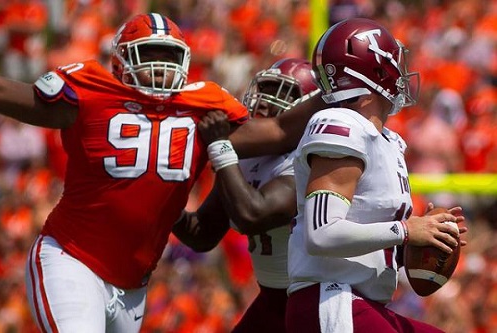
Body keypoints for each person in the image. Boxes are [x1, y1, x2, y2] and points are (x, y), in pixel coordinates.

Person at [197, 18, 468, 333]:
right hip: (333, 301)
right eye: (394, 62)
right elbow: (322, 233)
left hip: (358, 300)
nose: (401, 73)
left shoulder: (386, 140)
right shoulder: (341, 125)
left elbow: (370, 241)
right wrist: (407, 230)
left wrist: (428, 237)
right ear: (376, 72)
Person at [0, 13, 248, 332]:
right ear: (121, 61)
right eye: (149, 53)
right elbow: (11, 93)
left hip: (133, 287)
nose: (161, 65)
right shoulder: (91, 91)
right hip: (72, 259)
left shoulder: (202, 105)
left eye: (168, 55)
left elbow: (273, 134)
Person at [173, 57, 318, 333]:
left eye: (279, 94)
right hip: (271, 300)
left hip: (313, 301)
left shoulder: (311, 158)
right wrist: (160, 202)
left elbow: (253, 214)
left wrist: (220, 148)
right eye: (264, 90)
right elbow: (203, 232)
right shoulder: (250, 156)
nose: (263, 102)